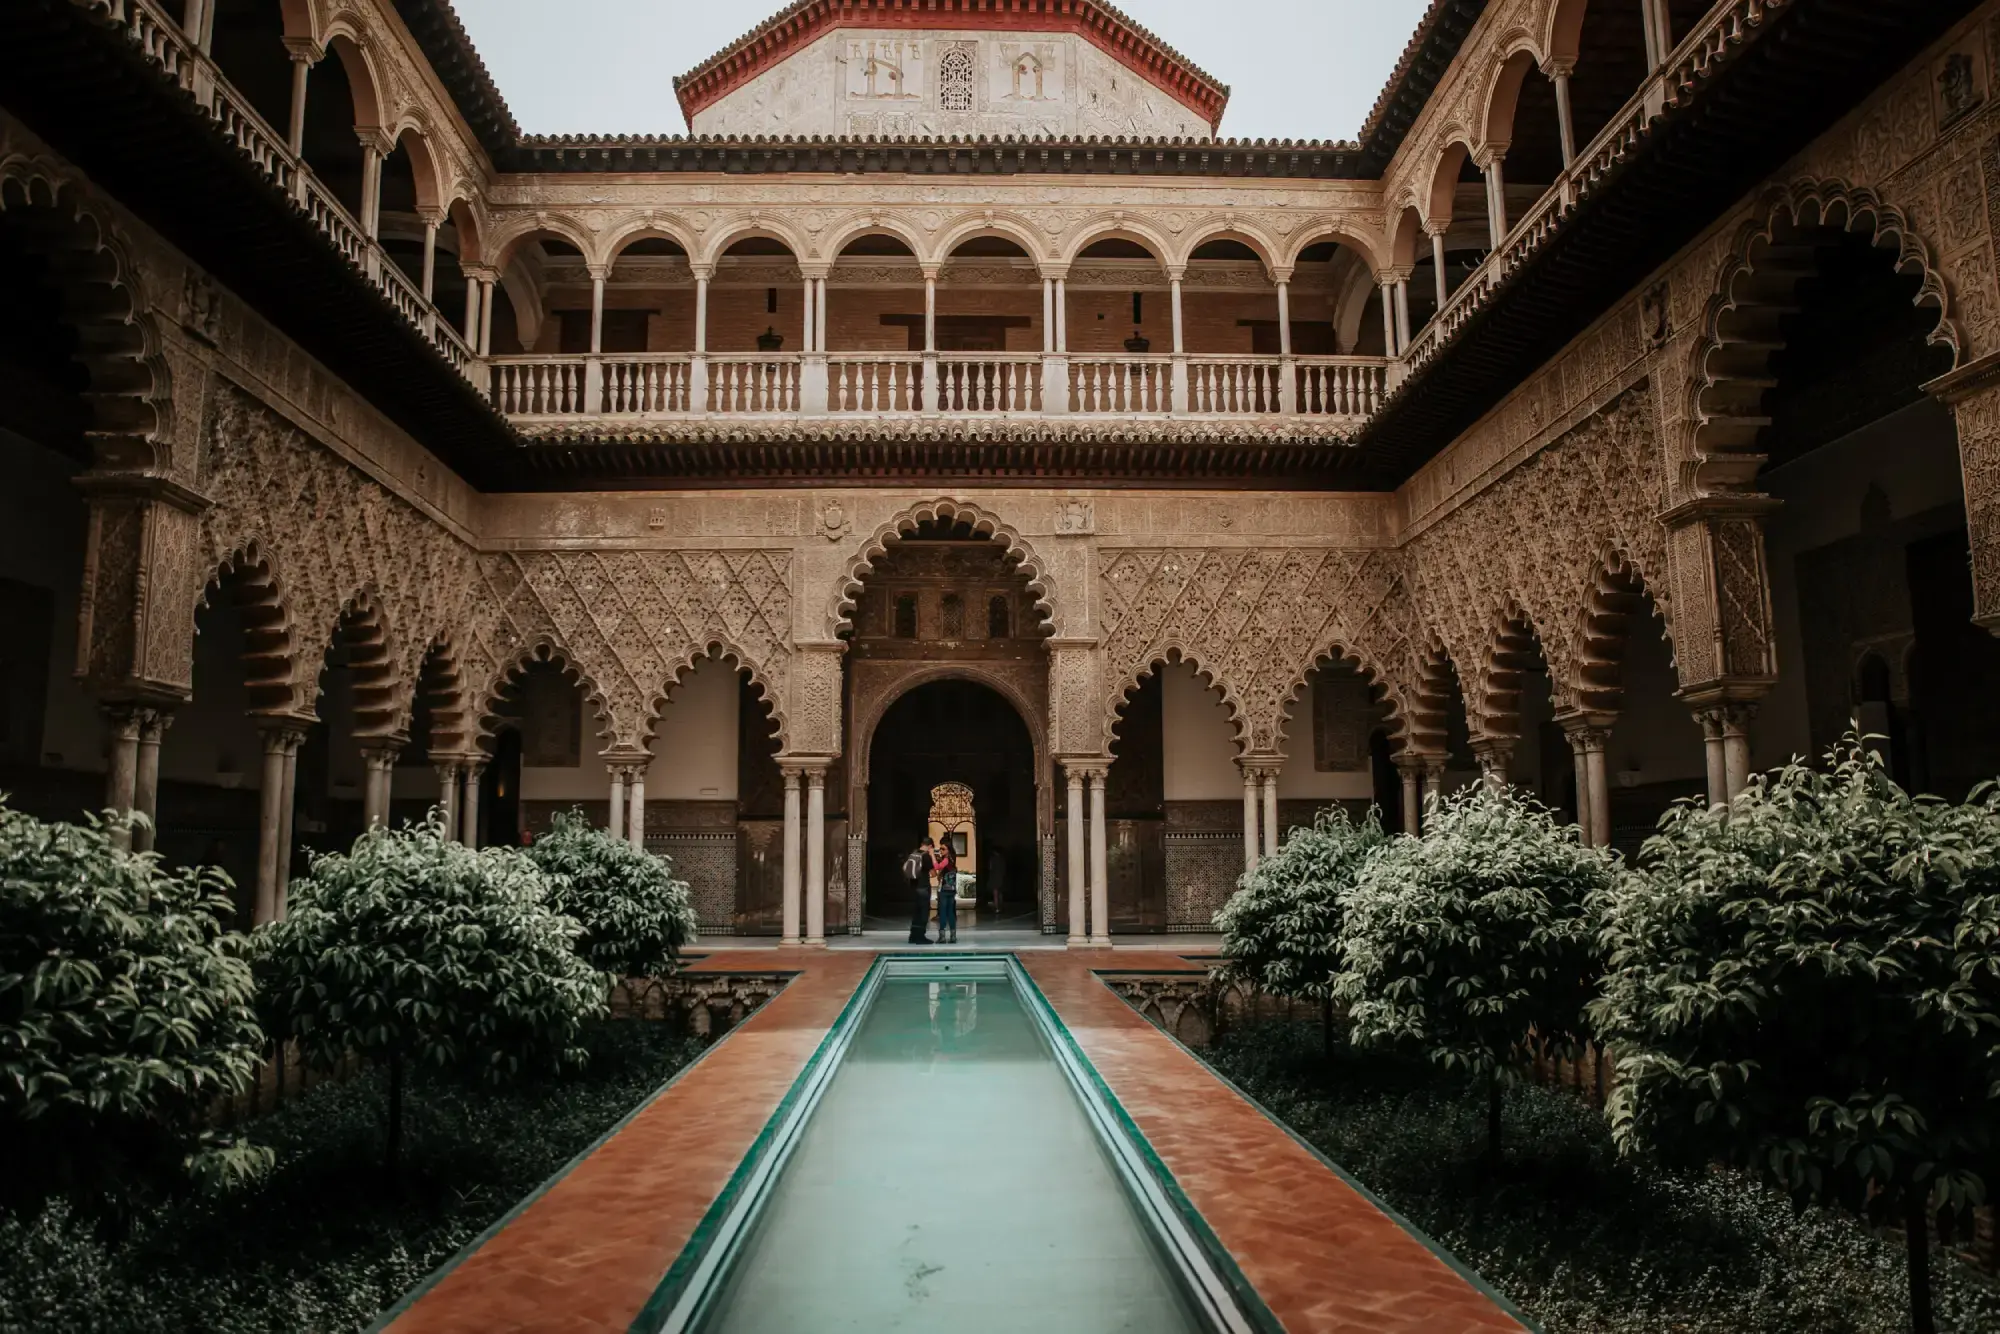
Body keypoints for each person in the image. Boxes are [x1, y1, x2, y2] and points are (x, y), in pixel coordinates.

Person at [905, 837, 934, 944]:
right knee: (923, 913)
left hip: (914, 888)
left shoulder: (913, 853)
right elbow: (933, 873)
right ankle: (921, 937)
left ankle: (913, 936)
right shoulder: (926, 856)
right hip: (923, 888)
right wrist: (932, 855)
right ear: (930, 846)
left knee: (916, 913)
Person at [934, 837, 959, 944]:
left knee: (943, 912)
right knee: (950, 912)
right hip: (951, 889)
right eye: (940, 849)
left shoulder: (946, 859)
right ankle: (953, 936)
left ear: (948, 849)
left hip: (944, 890)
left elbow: (937, 867)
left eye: (943, 849)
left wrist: (932, 856)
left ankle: (942, 936)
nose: (941, 851)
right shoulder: (953, 858)